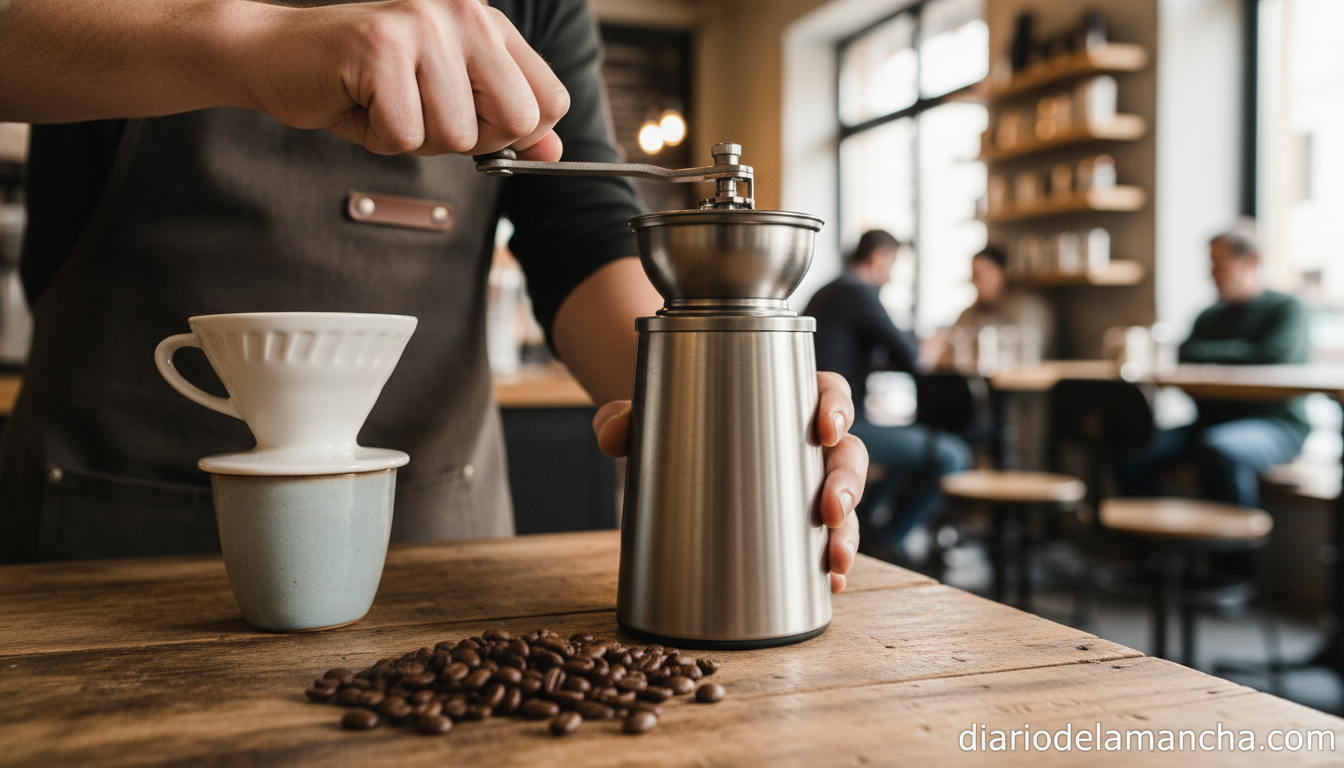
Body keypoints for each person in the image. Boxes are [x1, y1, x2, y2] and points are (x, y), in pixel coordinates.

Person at [0, 0, 864, 591]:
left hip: (432, 556)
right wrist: (252, 45)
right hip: (109, 541)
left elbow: (581, 231)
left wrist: (710, 409)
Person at [1116, 222, 1310, 508]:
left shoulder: (1286, 309)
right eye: (1210, 264)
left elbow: (1271, 357)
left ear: (1250, 261)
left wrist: (1209, 354)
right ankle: (1148, 535)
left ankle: (1232, 539)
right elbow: (1185, 356)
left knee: (1220, 449)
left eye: (1219, 264)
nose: (1211, 273)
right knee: (1130, 447)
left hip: (1276, 425)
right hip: (1210, 423)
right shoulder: (1208, 316)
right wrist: (1236, 353)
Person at [804, 229, 971, 551]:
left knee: (908, 450)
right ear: (879, 258)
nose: (891, 275)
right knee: (954, 454)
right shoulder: (857, 292)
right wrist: (935, 344)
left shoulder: (829, 292)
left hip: (824, 420)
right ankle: (889, 542)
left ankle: (871, 528)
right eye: (893, 264)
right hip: (839, 426)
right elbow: (913, 356)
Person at [931, 245, 1054, 371]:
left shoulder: (1029, 310)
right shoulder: (967, 314)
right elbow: (948, 355)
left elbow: (1029, 359)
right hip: (974, 381)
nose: (974, 281)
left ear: (1002, 273)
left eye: (979, 275)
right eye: (973, 275)